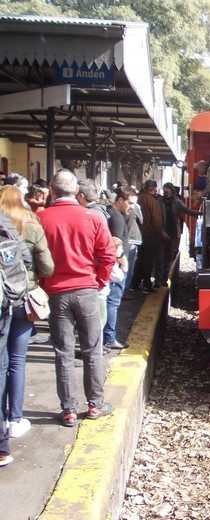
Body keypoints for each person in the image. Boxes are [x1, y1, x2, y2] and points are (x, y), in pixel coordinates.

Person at [38, 169, 116, 427]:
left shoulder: (42, 218)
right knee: (92, 350)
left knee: (63, 352)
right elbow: (107, 255)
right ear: (75, 191)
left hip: (57, 293)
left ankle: (68, 410)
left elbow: (35, 258)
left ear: (52, 190)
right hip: (87, 291)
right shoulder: (92, 217)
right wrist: (100, 281)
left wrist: (44, 284)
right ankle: (95, 405)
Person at [0, 186, 54, 438]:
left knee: (1, 363)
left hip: (2, 301)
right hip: (23, 297)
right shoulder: (32, 224)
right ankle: (16, 419)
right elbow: (46, 266)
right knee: (18, 360)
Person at [0, 207, 32, 466]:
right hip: (5, 303)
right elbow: (27, 258)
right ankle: (3, 441)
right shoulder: (4, 220)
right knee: (10, 362)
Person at [104, 186, 137, 349]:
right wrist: (122, 261)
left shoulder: (111, 213)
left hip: (112, 265)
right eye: (130, 203)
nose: (131, 207)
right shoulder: (116, 217)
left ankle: (107, 336)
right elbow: (115, 242)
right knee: (113, 301)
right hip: (115, 266)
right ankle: (109, 337)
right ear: (120, 200)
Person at [159, 182, 201, 285]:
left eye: (167, 188)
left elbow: (187, 210)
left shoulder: (176, 201)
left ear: (171, 190)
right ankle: (158, 279)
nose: (165, 190)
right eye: (164, 188)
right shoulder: (159, 201)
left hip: (172, 231)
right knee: (159, 256)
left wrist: (200, 214)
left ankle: (164, 278)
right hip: (161, 230)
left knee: (169, 256)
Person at [130, 179, 168, 294]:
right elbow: (156, 220)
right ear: (154, 189)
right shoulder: (152, 201)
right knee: (148, 260)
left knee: (140, 259)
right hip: (151, 234)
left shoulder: (138, 198)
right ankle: (147, 284)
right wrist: (161, 232)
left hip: (139, 234)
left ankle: (135, 284)